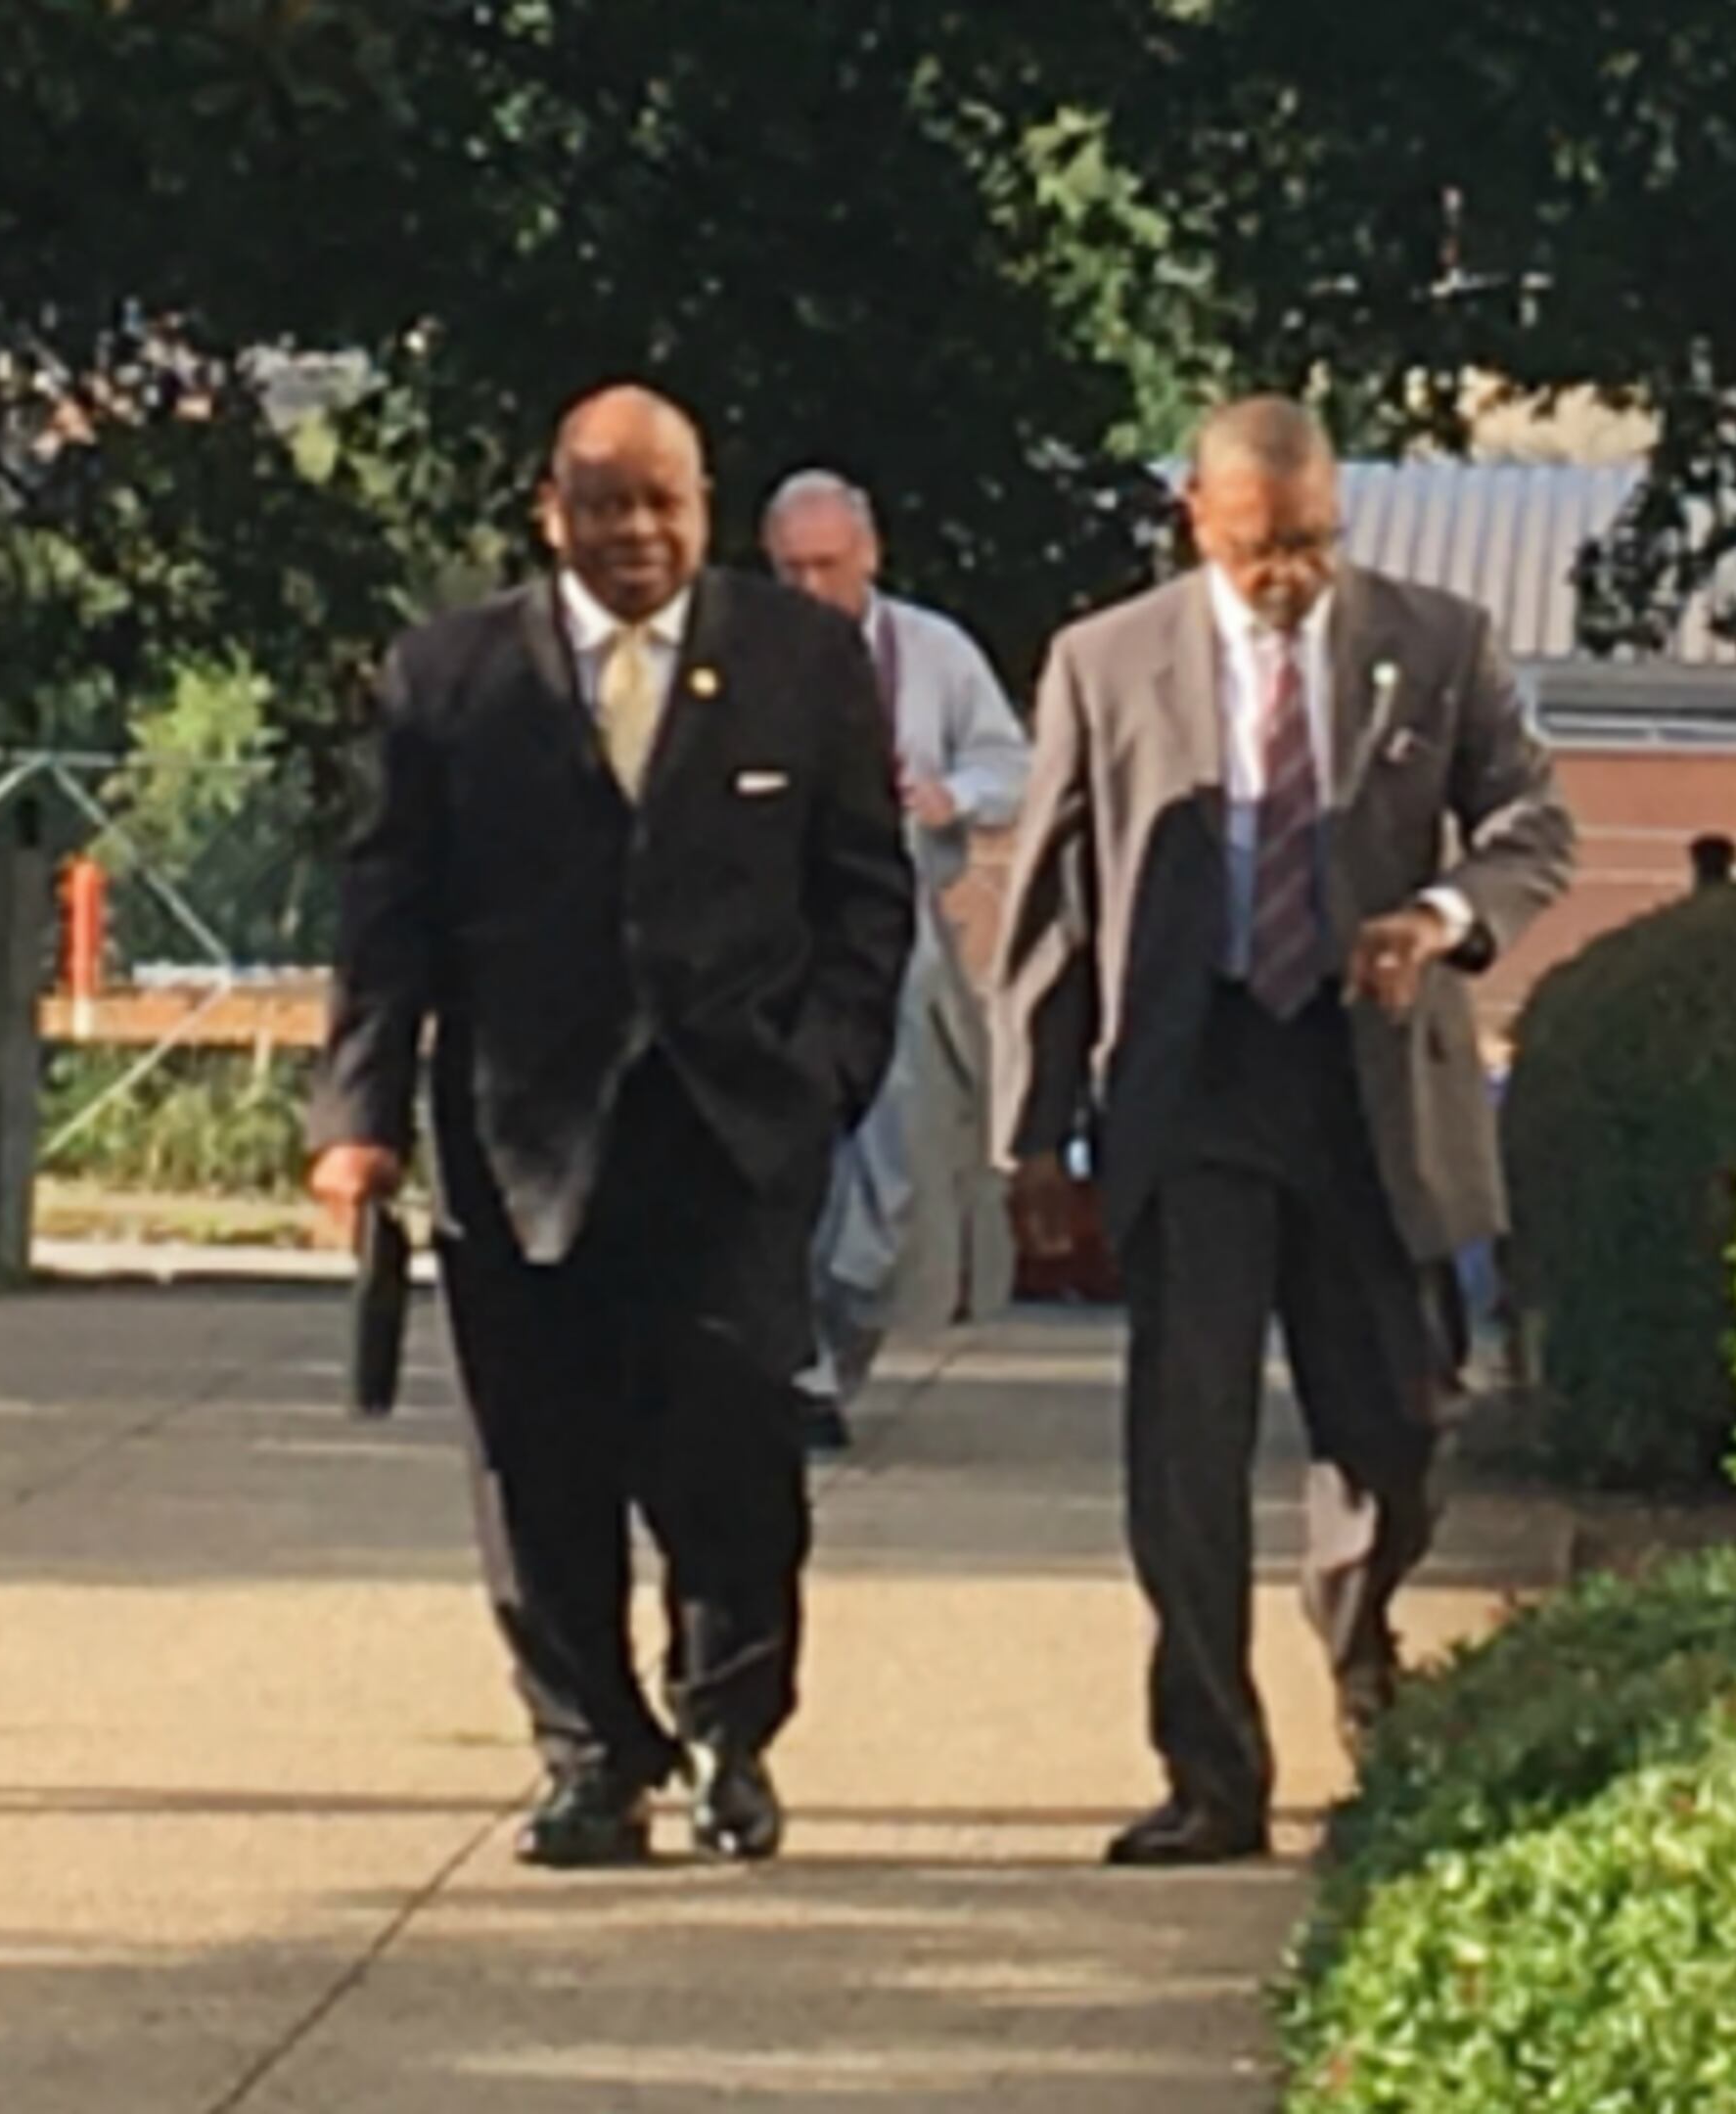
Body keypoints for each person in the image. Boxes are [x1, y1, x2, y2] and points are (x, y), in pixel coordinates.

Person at [305, 385, 913, 1869]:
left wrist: (828, 1067)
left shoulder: (802, 660)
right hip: (522, 1137)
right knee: (538, 1463)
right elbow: (387, 911)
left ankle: (730, 1734)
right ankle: (589, 1755)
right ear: (551, 513)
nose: (638, 532)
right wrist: (358, 1116)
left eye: (665, 504)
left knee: (732, 1448)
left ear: (704, 509)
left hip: (733, 1134)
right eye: (606, 505)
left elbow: (863, 893)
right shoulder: (450, 677)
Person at [994, 396, 1576, 1865]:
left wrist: (1438, 919)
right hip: (1192, 1087)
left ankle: (1361, 1636)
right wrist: (1034, 1138)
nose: (1288, 576)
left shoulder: (1435, 643)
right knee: (1185, 1447)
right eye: (1260, 548)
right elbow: (1053, 910)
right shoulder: (1105, 662)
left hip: (1365, 1081)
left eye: (1313, 544)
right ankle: (1212, 1774)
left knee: (1399, 1425)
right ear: (1197, 519)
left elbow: (1532, 824)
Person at [762, 469, 1031, 1451]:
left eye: (827, 566)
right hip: (769, 931)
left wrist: (953, 797)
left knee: (891, 1160)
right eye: (791, 569)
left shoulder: (934, 653)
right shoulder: (741, 649)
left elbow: (1013, 764)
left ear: (868, 555)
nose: (810, 587)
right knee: (783, 1145)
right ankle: (798, 1369)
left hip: (896, 931)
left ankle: (837, 1342)